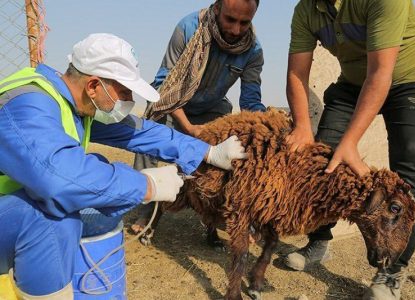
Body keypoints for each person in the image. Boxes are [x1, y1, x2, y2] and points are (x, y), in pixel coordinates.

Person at [0, 33, 248, 299]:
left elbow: (139, 132)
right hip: (16, 214)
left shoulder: (73, 105)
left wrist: (207, 152)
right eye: (124, 91)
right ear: (94, 85)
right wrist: (146, 184)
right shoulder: (29, 105)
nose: (129, 99)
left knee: (92, 179)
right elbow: (58, 178)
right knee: (48, 216)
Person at [283, 1, 415, 299]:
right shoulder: (306, 9)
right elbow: (296, 72)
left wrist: (351, 142)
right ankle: (318, 243)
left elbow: (381, 72)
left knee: (408, 172)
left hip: (408, 81)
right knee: (324, 159)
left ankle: (392, 271)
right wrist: (302, 126)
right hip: (353, 83)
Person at [131, 0, 266, 242]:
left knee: (227, 155)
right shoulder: (188, 28)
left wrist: (268, 125)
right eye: (230, 20)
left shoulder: (253, 51)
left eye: (244, 22)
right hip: (173, 104)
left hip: (212, 109)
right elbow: (164, 84)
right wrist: (188, 128)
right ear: (217, 9)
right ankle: (148, 209)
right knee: (148, 130)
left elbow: (250, 101)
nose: (236, 30)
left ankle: (213, 220)